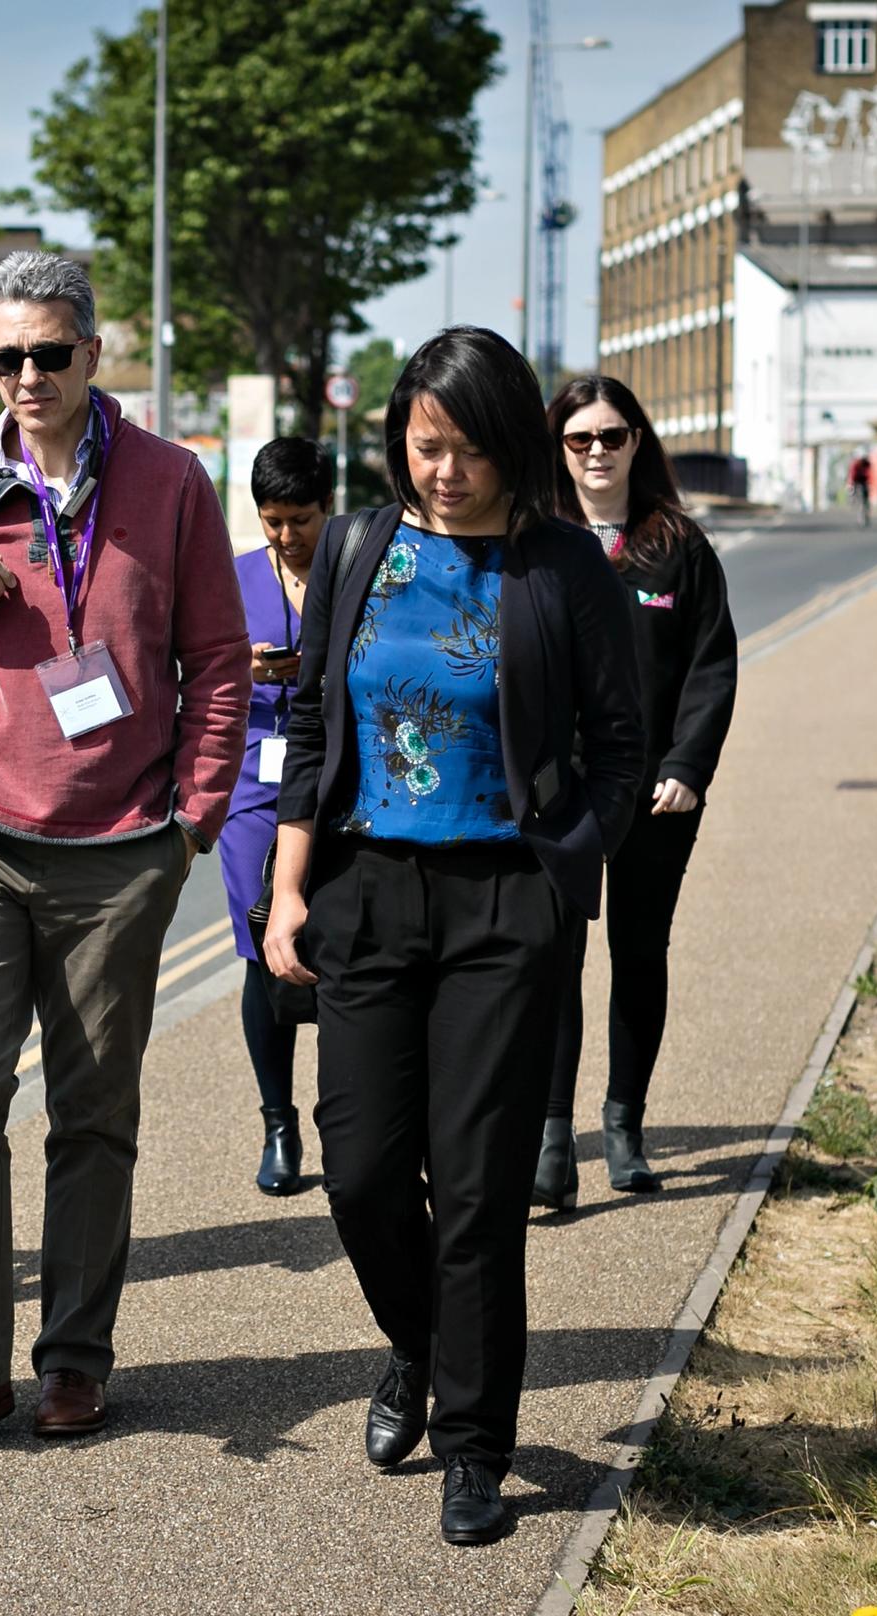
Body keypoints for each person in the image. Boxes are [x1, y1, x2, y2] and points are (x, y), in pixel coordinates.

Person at [0, 249, 249, 1463]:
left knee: (93, 1111)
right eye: (3, 357)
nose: (25, 376)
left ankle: (74, 1359)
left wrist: (192, 814)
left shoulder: (174, 481)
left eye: (47, 353)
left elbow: (219, 662)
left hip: (121, 845)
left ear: (92, 352)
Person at [263, 327, 644, 1545]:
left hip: (500, 901)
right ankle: (414, 1345)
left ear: (515, 448)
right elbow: (314, 723)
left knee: (475, 1189)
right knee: (364, 1165)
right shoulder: (361, 549)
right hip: (366, 888)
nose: (445, 472)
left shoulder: (563, 566)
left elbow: (621, 746)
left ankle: (477, 1443)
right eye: (427, 447)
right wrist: (288, 889)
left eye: (472, 451)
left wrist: (560, 872)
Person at [535, 376, 738, 1208]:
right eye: (578, 439)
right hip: (564, 792)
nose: (595, 454)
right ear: (558, 449)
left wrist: (688, 766)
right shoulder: (536, 542)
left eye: (611, 437)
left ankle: (624, 1126)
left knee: (639, 953)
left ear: (637, 443)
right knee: (554, 961)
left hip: (656, 794)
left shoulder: (677, 546)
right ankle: (553, 1141)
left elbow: (711, 667)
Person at [224, 438, 330, 1196]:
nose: (287, 536)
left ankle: (345, 1117)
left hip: (338, 775)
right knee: (264, 944)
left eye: (300, 519)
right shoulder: (232, 579)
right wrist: (247, 668)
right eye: (272, 522)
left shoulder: (356, 567)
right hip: (255, 783)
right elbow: (188, 667)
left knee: (338, 942)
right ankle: (277, 1124)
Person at [845, 450, 873, 527]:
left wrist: (870, 483)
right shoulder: (855, 464)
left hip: (865, 482)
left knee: (866, 502)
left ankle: (867, 515)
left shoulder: (867, 464)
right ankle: (860, 518)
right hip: (856, 483)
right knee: (859, 501)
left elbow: (870, 474)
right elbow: (852, 475)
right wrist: (851, 485)